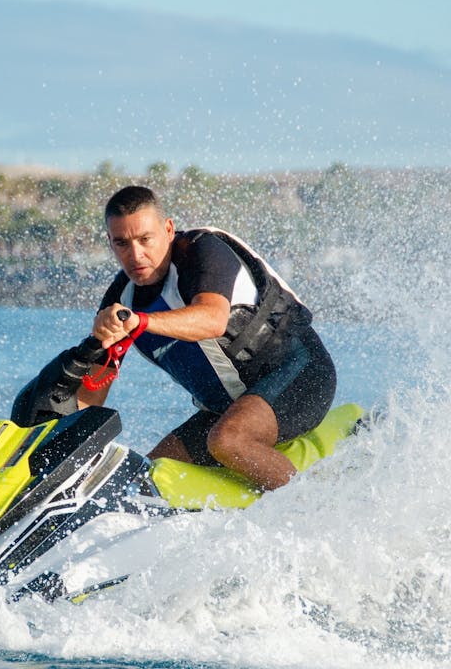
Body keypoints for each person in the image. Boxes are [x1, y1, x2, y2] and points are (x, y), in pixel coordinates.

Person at [76, 185, 336, 491]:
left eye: (145, 239)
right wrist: (73, 452)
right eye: (122, 243)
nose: (135, 254)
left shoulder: (201, 251)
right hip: (228, 408)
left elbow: (212, 319)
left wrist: (140, 322)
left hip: (300, 376)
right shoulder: (120, 300)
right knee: (148, 476)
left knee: (228, 440)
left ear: (168, 229)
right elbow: (91, 392)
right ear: (110, 242)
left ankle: (313, 510)